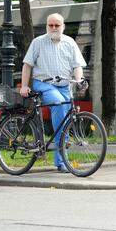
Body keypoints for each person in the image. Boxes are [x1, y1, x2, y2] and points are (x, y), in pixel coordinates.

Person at [20, 13, 87, 173]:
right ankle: (61, 161)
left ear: (63, 26)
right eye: (51, 25)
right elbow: (27, 65)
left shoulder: (70, 43)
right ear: (47, 27)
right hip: (44, 84)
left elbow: (77, 66)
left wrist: (79, 80)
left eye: (57, 25)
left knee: (67, 117)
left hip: (65, 86)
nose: (54, 28)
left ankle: (61, 154)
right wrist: (24, 86)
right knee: (58, 104)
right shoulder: (38, 42)